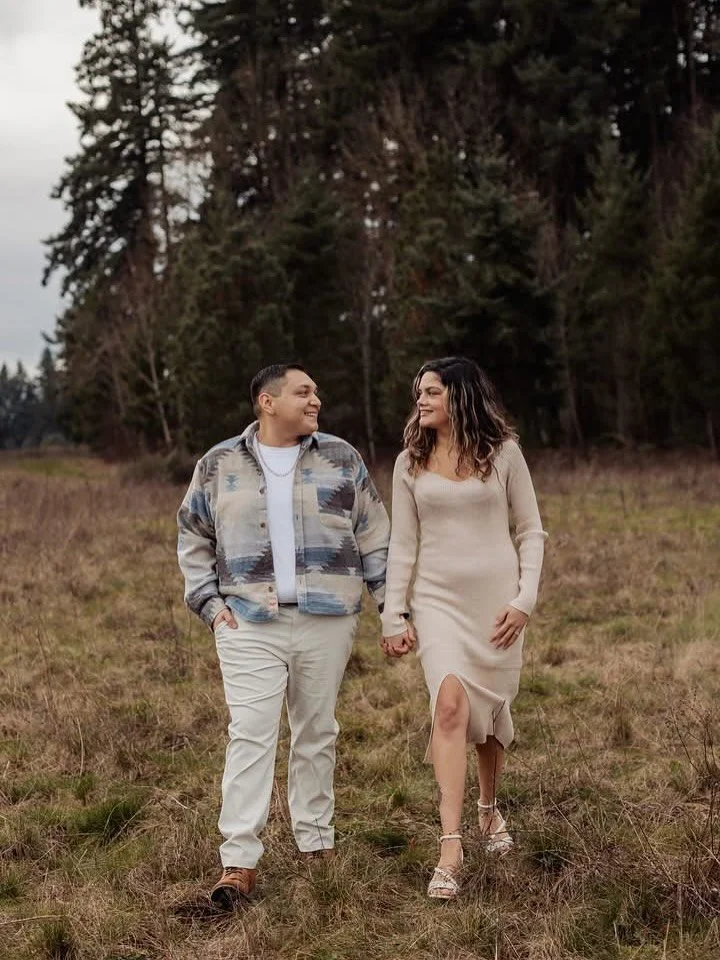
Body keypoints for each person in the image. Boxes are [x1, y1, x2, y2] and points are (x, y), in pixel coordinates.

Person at [177, 363, 391, 909]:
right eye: (303, 391)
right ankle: (238, 863)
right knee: (251, 734)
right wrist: (210, 604)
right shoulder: (219, 463)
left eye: (316, 390)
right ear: (267, 402)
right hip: (248, 622)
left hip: (328, 618)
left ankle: (316, 843)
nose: (315, 398)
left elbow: (374, 536)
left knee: (317, 730)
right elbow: (193, 536)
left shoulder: (342, 459)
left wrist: (393, 609)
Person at [381, 356, 547, 899]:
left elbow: (530, 532)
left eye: (431, 392)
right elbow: (403, 544)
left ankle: (488, 807)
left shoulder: (503, 454)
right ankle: (450, 843)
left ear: (461, 395)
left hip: (497, 605)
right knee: (450, 704)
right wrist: (394, 611)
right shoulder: (410, 462)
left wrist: (523, 601)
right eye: (419, 394)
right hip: (437, 602)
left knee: (491, 712)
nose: (421, 401)